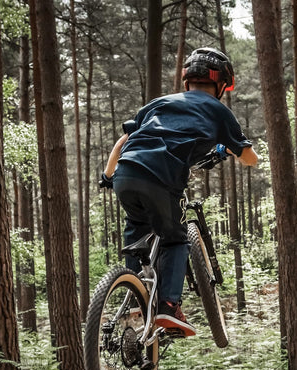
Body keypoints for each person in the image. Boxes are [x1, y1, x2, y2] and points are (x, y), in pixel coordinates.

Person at [101, 47, 258, 337]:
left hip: (126, 173)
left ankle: (136, 291)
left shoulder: (157, 103)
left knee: (136, 227)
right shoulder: (217, 110)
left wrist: (108, 176)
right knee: (175, 238)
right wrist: (235, 150)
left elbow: (122, 142)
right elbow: (249, 157)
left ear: (187, 80)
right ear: (221, 83)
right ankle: (168, 306)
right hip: (160, 179)